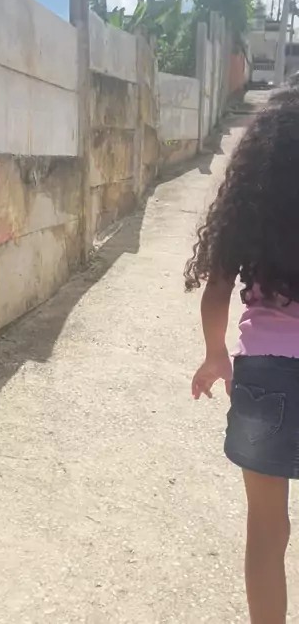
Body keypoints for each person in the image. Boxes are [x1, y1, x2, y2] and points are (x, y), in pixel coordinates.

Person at [185, 86, 299, 624]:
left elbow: (216, 290)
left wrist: (216, 355)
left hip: (263, 378)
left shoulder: (252, 207)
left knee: (267, 530)